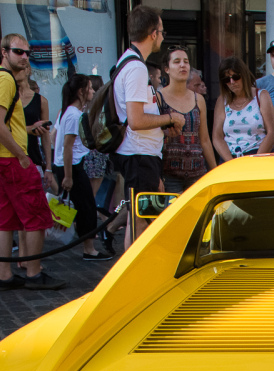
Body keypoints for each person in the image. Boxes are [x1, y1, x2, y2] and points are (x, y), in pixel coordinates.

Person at [0, 33, 61, 290]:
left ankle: (5, 274)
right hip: (11, 161)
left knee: (6, 217)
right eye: (18, 51)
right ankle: (34, 272)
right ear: (4, 52)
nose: (24, 57)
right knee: (36, 215)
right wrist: (20, 154)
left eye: (27, 53)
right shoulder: (4, 80)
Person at [112, 6, 179, 249]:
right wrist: (170, 119)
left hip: (140, 154)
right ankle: (132, 280)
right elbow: (136, 120)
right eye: (161, 31)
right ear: (153, 33)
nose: (162, 36)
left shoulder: (127, 62)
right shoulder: (137, 68)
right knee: (139, 220)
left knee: (138, 218)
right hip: (139, 155)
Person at [55, 73, 110, 260]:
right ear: (81, 91)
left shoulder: (70, 112)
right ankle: (89, 249)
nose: (93, 91)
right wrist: (68, 176)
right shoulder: (73, 114)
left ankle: (88, 245)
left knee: (86, 204)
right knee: (86, 205)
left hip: (73, 165)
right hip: (72, 166)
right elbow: (67, 147)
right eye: (89, 88)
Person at [158, 45, 215, 191]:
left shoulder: (198, 99)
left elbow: (205, 140)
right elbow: (152, 139)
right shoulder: (158, 98)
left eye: (186, 61)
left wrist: (215, 172)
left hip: (197, 173)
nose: (183, 65)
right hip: (169, 175)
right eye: (177, 61)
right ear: (167, 68)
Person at [213, 56, 274, 160]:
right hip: (229, 157)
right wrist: (230, 162)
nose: (232, 82)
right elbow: (217, 137)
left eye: (236, 77)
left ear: (244, 75)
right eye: (227, 79)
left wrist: (255, 161)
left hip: (258, 155)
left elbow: (272, 132)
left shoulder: (261, 96)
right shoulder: (222, 100)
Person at [19, 72, 54, 193]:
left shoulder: (41, 101)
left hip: (33, 157)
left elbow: (45, 135)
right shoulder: (6, 99)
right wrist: (29, 129)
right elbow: (0, 128)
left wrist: (48, 167)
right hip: (11, 158)